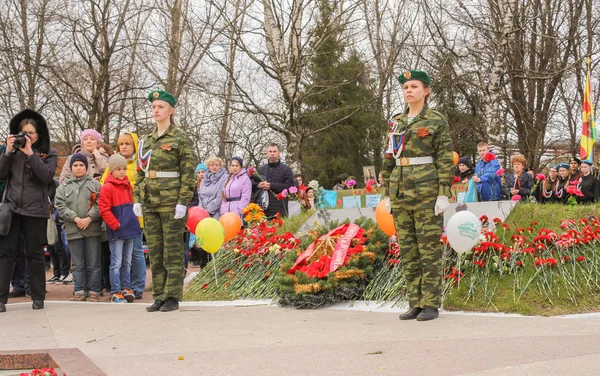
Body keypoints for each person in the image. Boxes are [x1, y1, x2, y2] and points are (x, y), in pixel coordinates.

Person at [381, 70, 453, 321]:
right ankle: (415, 302)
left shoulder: (435, 120)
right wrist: (386, 193)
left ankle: (431, 304)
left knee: (428, 249)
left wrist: (444, 193)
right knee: (408, 250)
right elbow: (389, 158)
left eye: (414, 86)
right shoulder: (397, 122)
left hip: (426, 191)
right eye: (405, 87)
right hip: (400, 192)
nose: (408, 90)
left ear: (426, 91)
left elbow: (444, 158)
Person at [133, 90, 195, 313]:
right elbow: (140, 172)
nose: (156, 110)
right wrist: (137, 198)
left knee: (172, 250)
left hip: (171, 201)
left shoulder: (180, 138)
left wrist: (183, 201)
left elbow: (188, 173)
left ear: (171, 110)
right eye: (153, 107)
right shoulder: (146, 140)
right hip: (150, 201)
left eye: (160, 107)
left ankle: (172, 296)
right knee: (156, 251)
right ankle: (159, 294)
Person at [0, 110, 58, 313]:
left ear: (39, 135)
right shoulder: (10, 152)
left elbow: (46, 176)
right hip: (13, 208)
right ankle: (1, 299)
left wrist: (31, 154)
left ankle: (38, 296)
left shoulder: (48, 154)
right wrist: (7, 151)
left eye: (31, 133)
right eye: (23, 132)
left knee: (35, 253)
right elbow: (0, 173)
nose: (27, 136)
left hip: (35, 210)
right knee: (6, 253)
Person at [100, 132, 146, 299]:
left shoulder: (140, 163)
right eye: (121, 144)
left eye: (128, 143)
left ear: (134, 145)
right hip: (117, 220)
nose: (124, 146)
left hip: (134, 218)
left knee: (136, 253)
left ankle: (137, 287)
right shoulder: (113, 164)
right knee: (119, 259)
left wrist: (128, 184)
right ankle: (118, 288)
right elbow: (103, 184)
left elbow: (142, 184)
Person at [55, 153, 103, 302]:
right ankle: (79, 290)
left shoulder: (95, 185)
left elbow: (100, 204)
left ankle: (94, 290)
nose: (78, 168)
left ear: (86, 167)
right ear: (71, 168)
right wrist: (75, 218)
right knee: (77, 263)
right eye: (75, 165)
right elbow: (60, 206)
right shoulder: (63, 187)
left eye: (81, 165)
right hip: (73, 229)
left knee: (93, 262)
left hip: (92, 228)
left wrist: (89, 218)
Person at [253, 143, 295, 217]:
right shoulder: (260, 170)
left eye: (274, 151)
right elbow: (253, 188)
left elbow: (290, 187)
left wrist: (271, 185)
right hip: (263, 209)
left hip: (280, 209)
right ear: (267, 153)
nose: (272, 154)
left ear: (279, 153)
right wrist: (258, 185)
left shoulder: (286, 170)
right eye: (270, 151)